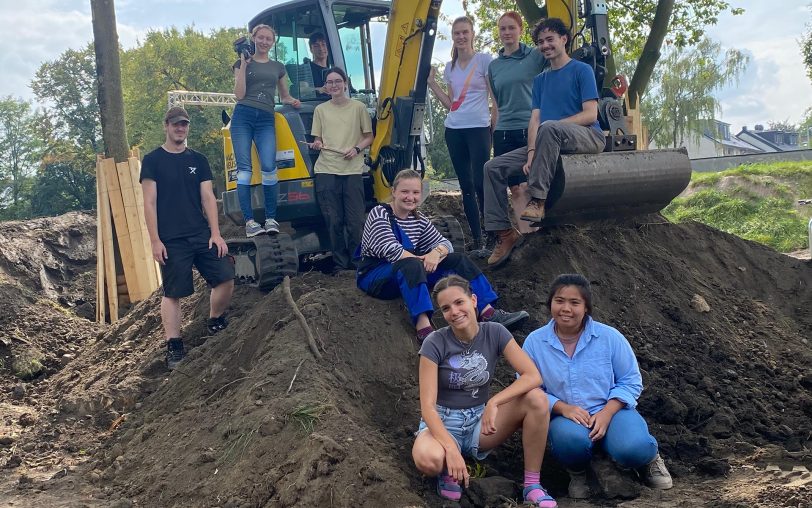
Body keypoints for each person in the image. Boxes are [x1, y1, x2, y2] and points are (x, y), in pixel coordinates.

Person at [522, 274, 673, 499]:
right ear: (550, 303)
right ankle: (579, 472)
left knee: (633, 448)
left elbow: (631, 380)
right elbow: (527, 387)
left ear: (586, 308)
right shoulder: (535, 342)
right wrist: (564, 408)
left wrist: (607, 413)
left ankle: (649, 460)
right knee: (569, 442)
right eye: (559, 301)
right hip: (566, 417)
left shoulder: (609, 337)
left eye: (575, 303)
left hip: (612, 411)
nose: (566, 308)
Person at [412, 275, 557, 507]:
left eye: (459, 302)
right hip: (442, 421)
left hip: (479, 422)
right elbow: (427, 407)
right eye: (446, 308)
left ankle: (532, 484)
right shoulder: (434, 342)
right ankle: (448, 468)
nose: (455, 312)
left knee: (537, 399)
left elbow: (533, 376)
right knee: (428, 460)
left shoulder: (495, 332)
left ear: (473, 300)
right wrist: (450, 448)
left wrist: (494, 402)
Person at [483, 18, 606, 267]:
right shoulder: (540, 80)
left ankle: (537, 200)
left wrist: (557, 126)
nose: (545, 45)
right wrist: (531, 153)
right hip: (548, 139)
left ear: (564, 39)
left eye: (550, 39)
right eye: (540, 42)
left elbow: (590, 114)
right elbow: (535, 120)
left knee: (550, 128)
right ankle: (504, 233)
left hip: (587, 136)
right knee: (492, 168)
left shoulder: (581, 70)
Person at [356, 169, 528, 341]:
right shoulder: (380, 214)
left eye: (415, 192)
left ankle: (487, 312)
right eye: (405, 192)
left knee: (457, 260)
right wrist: (424, 259)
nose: (410, 197)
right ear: (393, 192)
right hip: (375, 275)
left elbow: (446, 244)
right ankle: (424, 328)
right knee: (411, 264)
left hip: (408, 272)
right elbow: (390, 248)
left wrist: (435, 253)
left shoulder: (419, 220)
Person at [141, 107, 235, 370]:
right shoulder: (153, 161)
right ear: (166, 126)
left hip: (200, 234)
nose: (180, 128)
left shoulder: (199, 160)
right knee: (173, 293)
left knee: (225, 277)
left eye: (184, 124)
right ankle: (174, 344)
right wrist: (155, 240)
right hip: (170, 239)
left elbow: (208, 198)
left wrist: (216, 234)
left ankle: (215, 319)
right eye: (175, 124)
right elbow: (149, 202)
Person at [427, 16, 494, 256]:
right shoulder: (450, 67)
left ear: (473, 34)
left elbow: (493, 98)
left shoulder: (484, 61)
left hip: (479, 128)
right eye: (457, 33)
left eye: (465, 32)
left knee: (480, 183)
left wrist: (494, 125)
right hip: (454, 129)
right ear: (453, 37)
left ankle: (492, 234)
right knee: (465, 185)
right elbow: (451, 103)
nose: (461, 37)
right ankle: (477, 240)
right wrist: (432, 84)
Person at [232, 24, 301, 238]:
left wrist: (293, 101)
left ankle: (271, 218)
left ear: (273, 42)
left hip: (265, 119)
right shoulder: (241, 62)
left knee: (270, 167)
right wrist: (244, 65)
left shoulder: (278, 67)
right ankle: (250, 221)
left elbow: (284, 95)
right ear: (253, 38)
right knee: (244, 170)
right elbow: (239, 94)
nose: (264, 41)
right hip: (243, 116)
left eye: (268, 39)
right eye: (260, 38)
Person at [488, 11, 546, 238]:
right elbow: (495, 103)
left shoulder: (535, 56)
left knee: (528, 185)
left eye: (511, 27)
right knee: (515, 188)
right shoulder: (494, 66)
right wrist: (493, 130)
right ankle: (526, 239)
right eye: (503, 28)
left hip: (529, 128)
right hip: (503, 132)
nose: (507, 32)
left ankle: (539, 233)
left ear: (521, 30)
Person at [309, 67, 373, 271]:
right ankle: (340, 266)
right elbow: (317, 138)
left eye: (338, 81)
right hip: (326, 169)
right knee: (333, 220)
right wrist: (317, 143)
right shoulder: (321, 110)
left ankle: (358, 264)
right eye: (330, 82)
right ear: (326, 87)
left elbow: (369, 137)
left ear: (345, 83)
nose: (334, 85)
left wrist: (356, 149)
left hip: (352, 170)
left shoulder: (358, 108)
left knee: (355, 222)